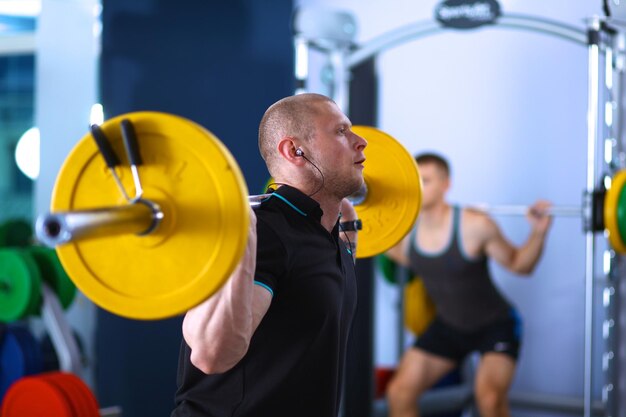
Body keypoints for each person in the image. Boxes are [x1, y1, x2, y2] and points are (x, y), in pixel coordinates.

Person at [171, 93, 368, 417]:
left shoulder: (328, 231)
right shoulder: (266, 233)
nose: (361, 141)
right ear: (294, 151)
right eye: (341, 131)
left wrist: (347, 216)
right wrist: (242, 232)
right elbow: (211, 355)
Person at [385, 153, 552, 417]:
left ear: (445, 185)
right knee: (399, 392)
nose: (417, 187)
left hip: (495, 326)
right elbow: (371, 239)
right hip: (449, 326)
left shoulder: (475, 225)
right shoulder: (403, 234)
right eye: (413, 181)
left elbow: (521, 265)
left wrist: (538, 232)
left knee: (489, 398)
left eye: (425, 180)